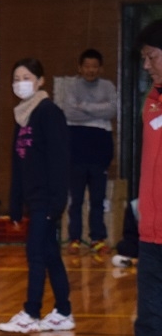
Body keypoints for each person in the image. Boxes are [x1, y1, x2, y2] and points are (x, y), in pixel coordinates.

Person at [0, 59, 74, 335]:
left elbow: (59, 159)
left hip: (47, 199)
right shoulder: (21, 117)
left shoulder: (48, 112)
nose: (20, 83)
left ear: (40, 80)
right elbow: (17, 163)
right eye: (16, 78)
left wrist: (57, 202)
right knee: (50, 253)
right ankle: (64, 311)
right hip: (33, 199)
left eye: (26, 77)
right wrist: (15, 203)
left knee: (36, 252)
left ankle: (31, 312)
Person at [115, 22, 162, 336]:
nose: (146, 65)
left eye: (152, 56)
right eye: (144, 57)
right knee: (148, 318)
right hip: (152, 235)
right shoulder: (152, 99)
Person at [57, 49, 118, 257]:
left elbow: (112, 111)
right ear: (80, 68)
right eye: (87, 66)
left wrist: (84, 107)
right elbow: (69, 112)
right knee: (76, 199)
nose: (90, 70)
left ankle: (97, 239)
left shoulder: (108, 86)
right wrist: (97, 110)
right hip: (76, 149)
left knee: (98, 199)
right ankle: (74, 238)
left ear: (100, 68)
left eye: (94, 66)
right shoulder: (72, 87)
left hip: (100, 150)